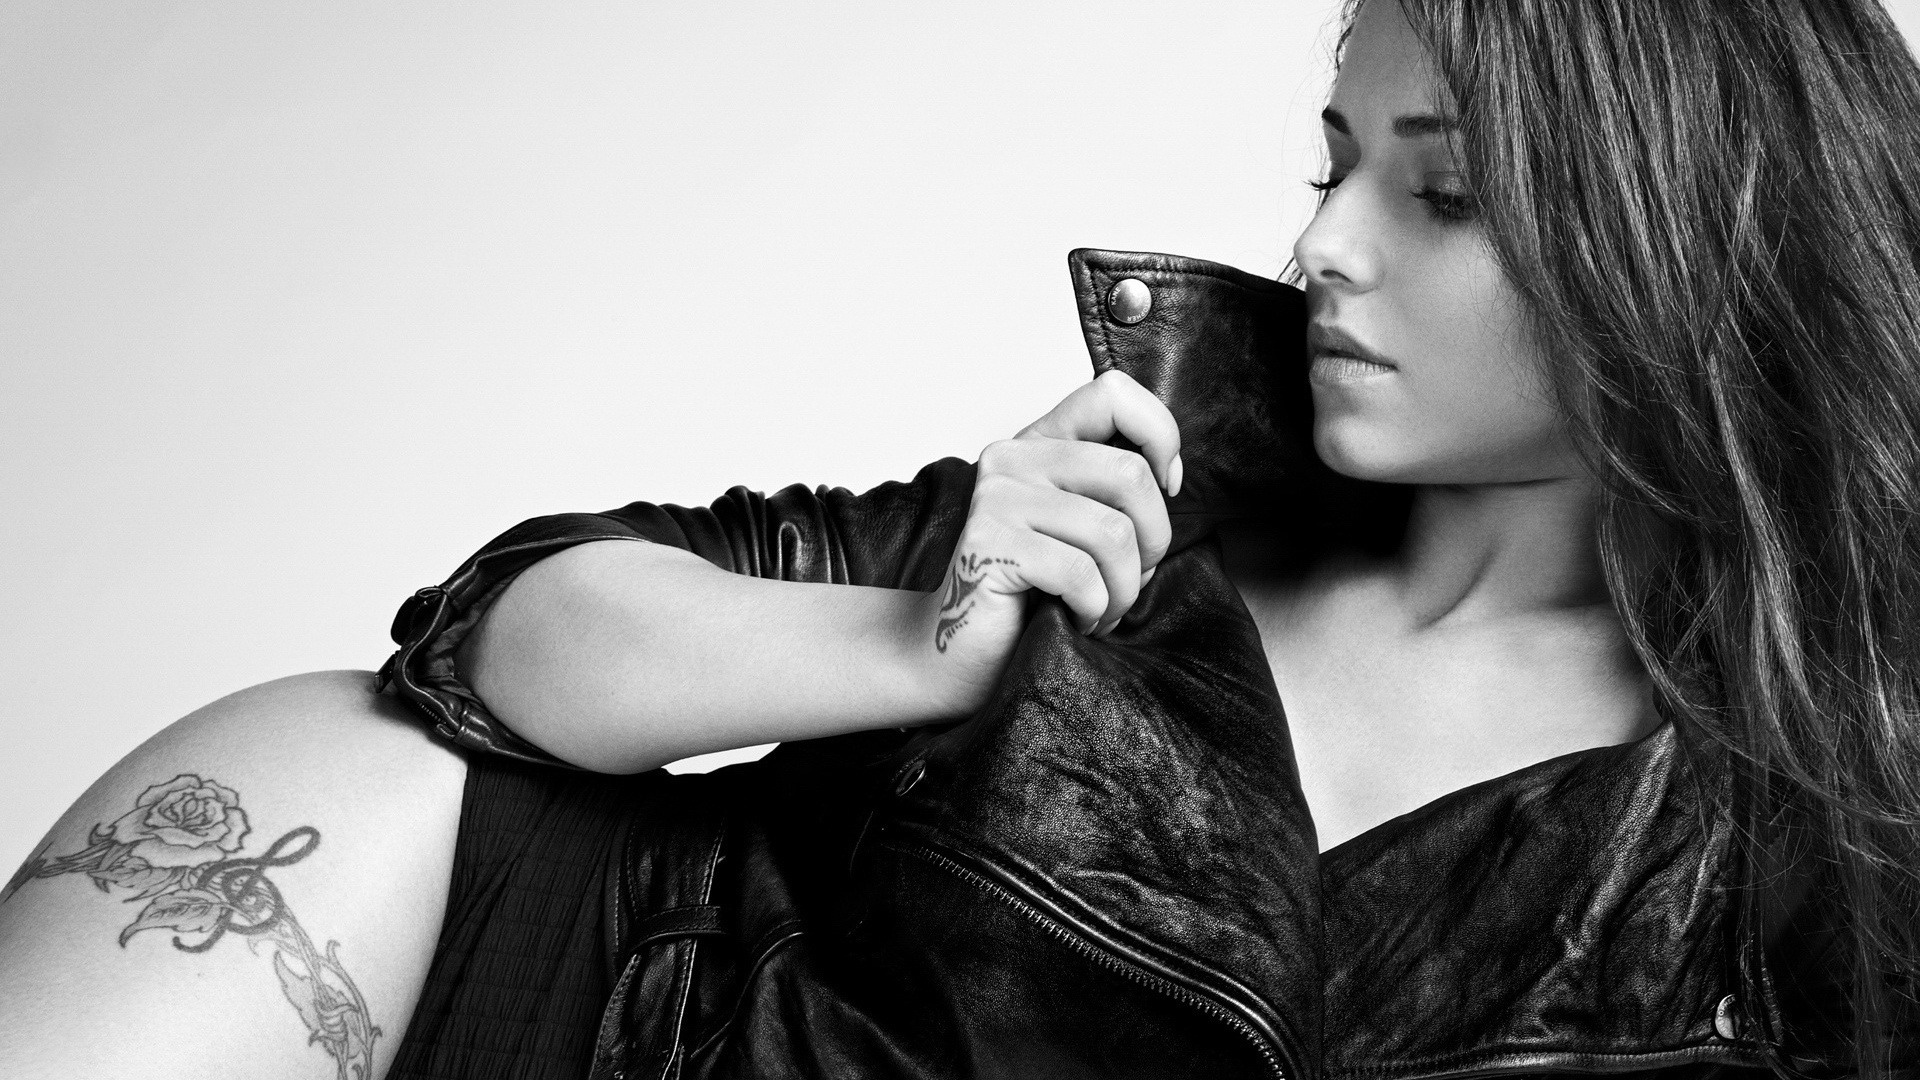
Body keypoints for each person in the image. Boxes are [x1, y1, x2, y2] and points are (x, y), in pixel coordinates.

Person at [4, 0, 1918, 1076]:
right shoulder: (1149, 479)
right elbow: (496, 646)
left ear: (1689, 253)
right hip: (507, 973)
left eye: (1446, 196)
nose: (1321, 246)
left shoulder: (1804, 826)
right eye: (1334, 166)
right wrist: (925, 639)